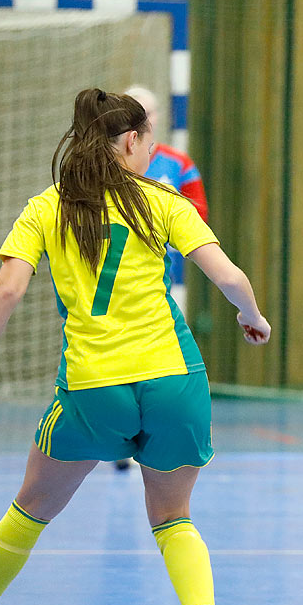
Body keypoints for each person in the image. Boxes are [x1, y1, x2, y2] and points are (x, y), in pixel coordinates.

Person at [0, 88, 271, 605]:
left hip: (94, 387)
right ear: (132, 143)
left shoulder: (48, 206)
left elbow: (7, 292)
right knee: (173, 517)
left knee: (30, 508)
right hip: (175, 381)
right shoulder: (162, 201)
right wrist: (252, 316)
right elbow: (228, 274)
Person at [112, 84, 209, 471]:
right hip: (117, 285)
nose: (146, 120)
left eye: (150, 113)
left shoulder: (178, 164)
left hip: (164, 279)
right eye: (138, 113)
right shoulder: (102, 171)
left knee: (163, 360)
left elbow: (198, 217)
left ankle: (155, 441)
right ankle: (118, 440)